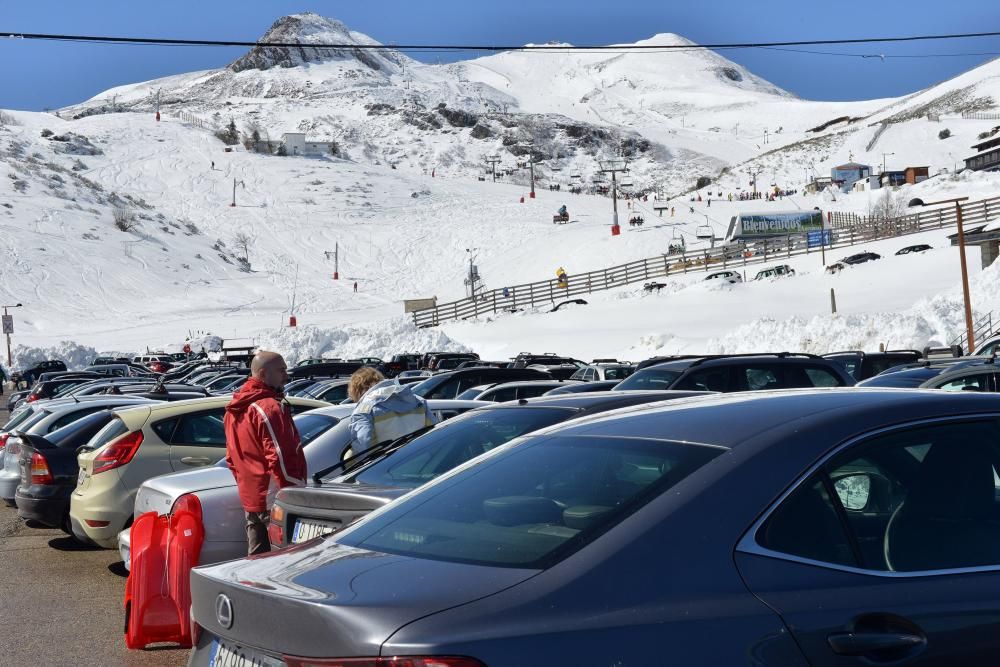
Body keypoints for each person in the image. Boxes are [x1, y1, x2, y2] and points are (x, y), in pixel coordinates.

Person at [224, 351, 304, 556]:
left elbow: (231, 458)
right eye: (281, 371)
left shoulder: (234, 409)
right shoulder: (267, 407)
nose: (286, 376)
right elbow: (280, 455)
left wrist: (247, 482)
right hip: (274, 497)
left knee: (256, 559)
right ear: (263, 373)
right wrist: (294, 493)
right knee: (286, 558)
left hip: (252, 496)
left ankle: (248, 588)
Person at [347, 367, 435, 457]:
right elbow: (434, 433)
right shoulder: (418, 400)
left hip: (388, 467)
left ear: (357, 390)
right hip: (423, 462)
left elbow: (364, 447)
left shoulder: (363, 411)